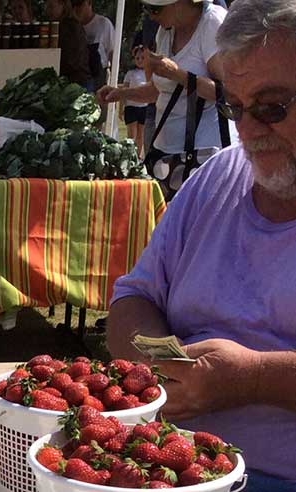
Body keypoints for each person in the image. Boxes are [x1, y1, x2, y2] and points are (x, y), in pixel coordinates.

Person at [105, 0, 296, 489]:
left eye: (272, 107)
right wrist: (153, 361)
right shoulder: (217, 178)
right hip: (165, 468)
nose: (248, 131)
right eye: (235, 107)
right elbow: (135, 298)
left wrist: (254, 377)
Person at [97, 0, 230, 161]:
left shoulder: (212, 22)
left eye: (155, 9)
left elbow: (229, 92)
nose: (151, 16)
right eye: (146, 8)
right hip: (167, 151)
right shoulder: (165, 31)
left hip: (204, 153)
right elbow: (158, 90)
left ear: (179, 3)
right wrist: (120, 93)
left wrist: (177, 74)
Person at [44, 0, 91, 86]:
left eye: (51, 7)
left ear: (62, 5)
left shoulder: (69, 27)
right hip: (77, 79)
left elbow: (70, 59)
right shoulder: (69, 25)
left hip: (75, 81)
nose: (48, 11)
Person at [74, 0, 115, 92]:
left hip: (97, 75)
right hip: (78, 76)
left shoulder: (104, 23)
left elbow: (112, 53)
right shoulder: (72, 26)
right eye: (73, 5)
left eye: (79, 4)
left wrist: (113, 81)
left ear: (89, 2)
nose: (76, 8)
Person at [121, 46, 149, 156]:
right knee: (132, 135)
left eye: (142, 58)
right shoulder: (130, 73)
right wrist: (121, 108)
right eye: (137, 58)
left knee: (141, 135)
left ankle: (138, 156)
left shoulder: (149, 73)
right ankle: (129, 156)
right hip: (131, 107)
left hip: (144, 107)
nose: (140, 60)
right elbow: (124, 91)